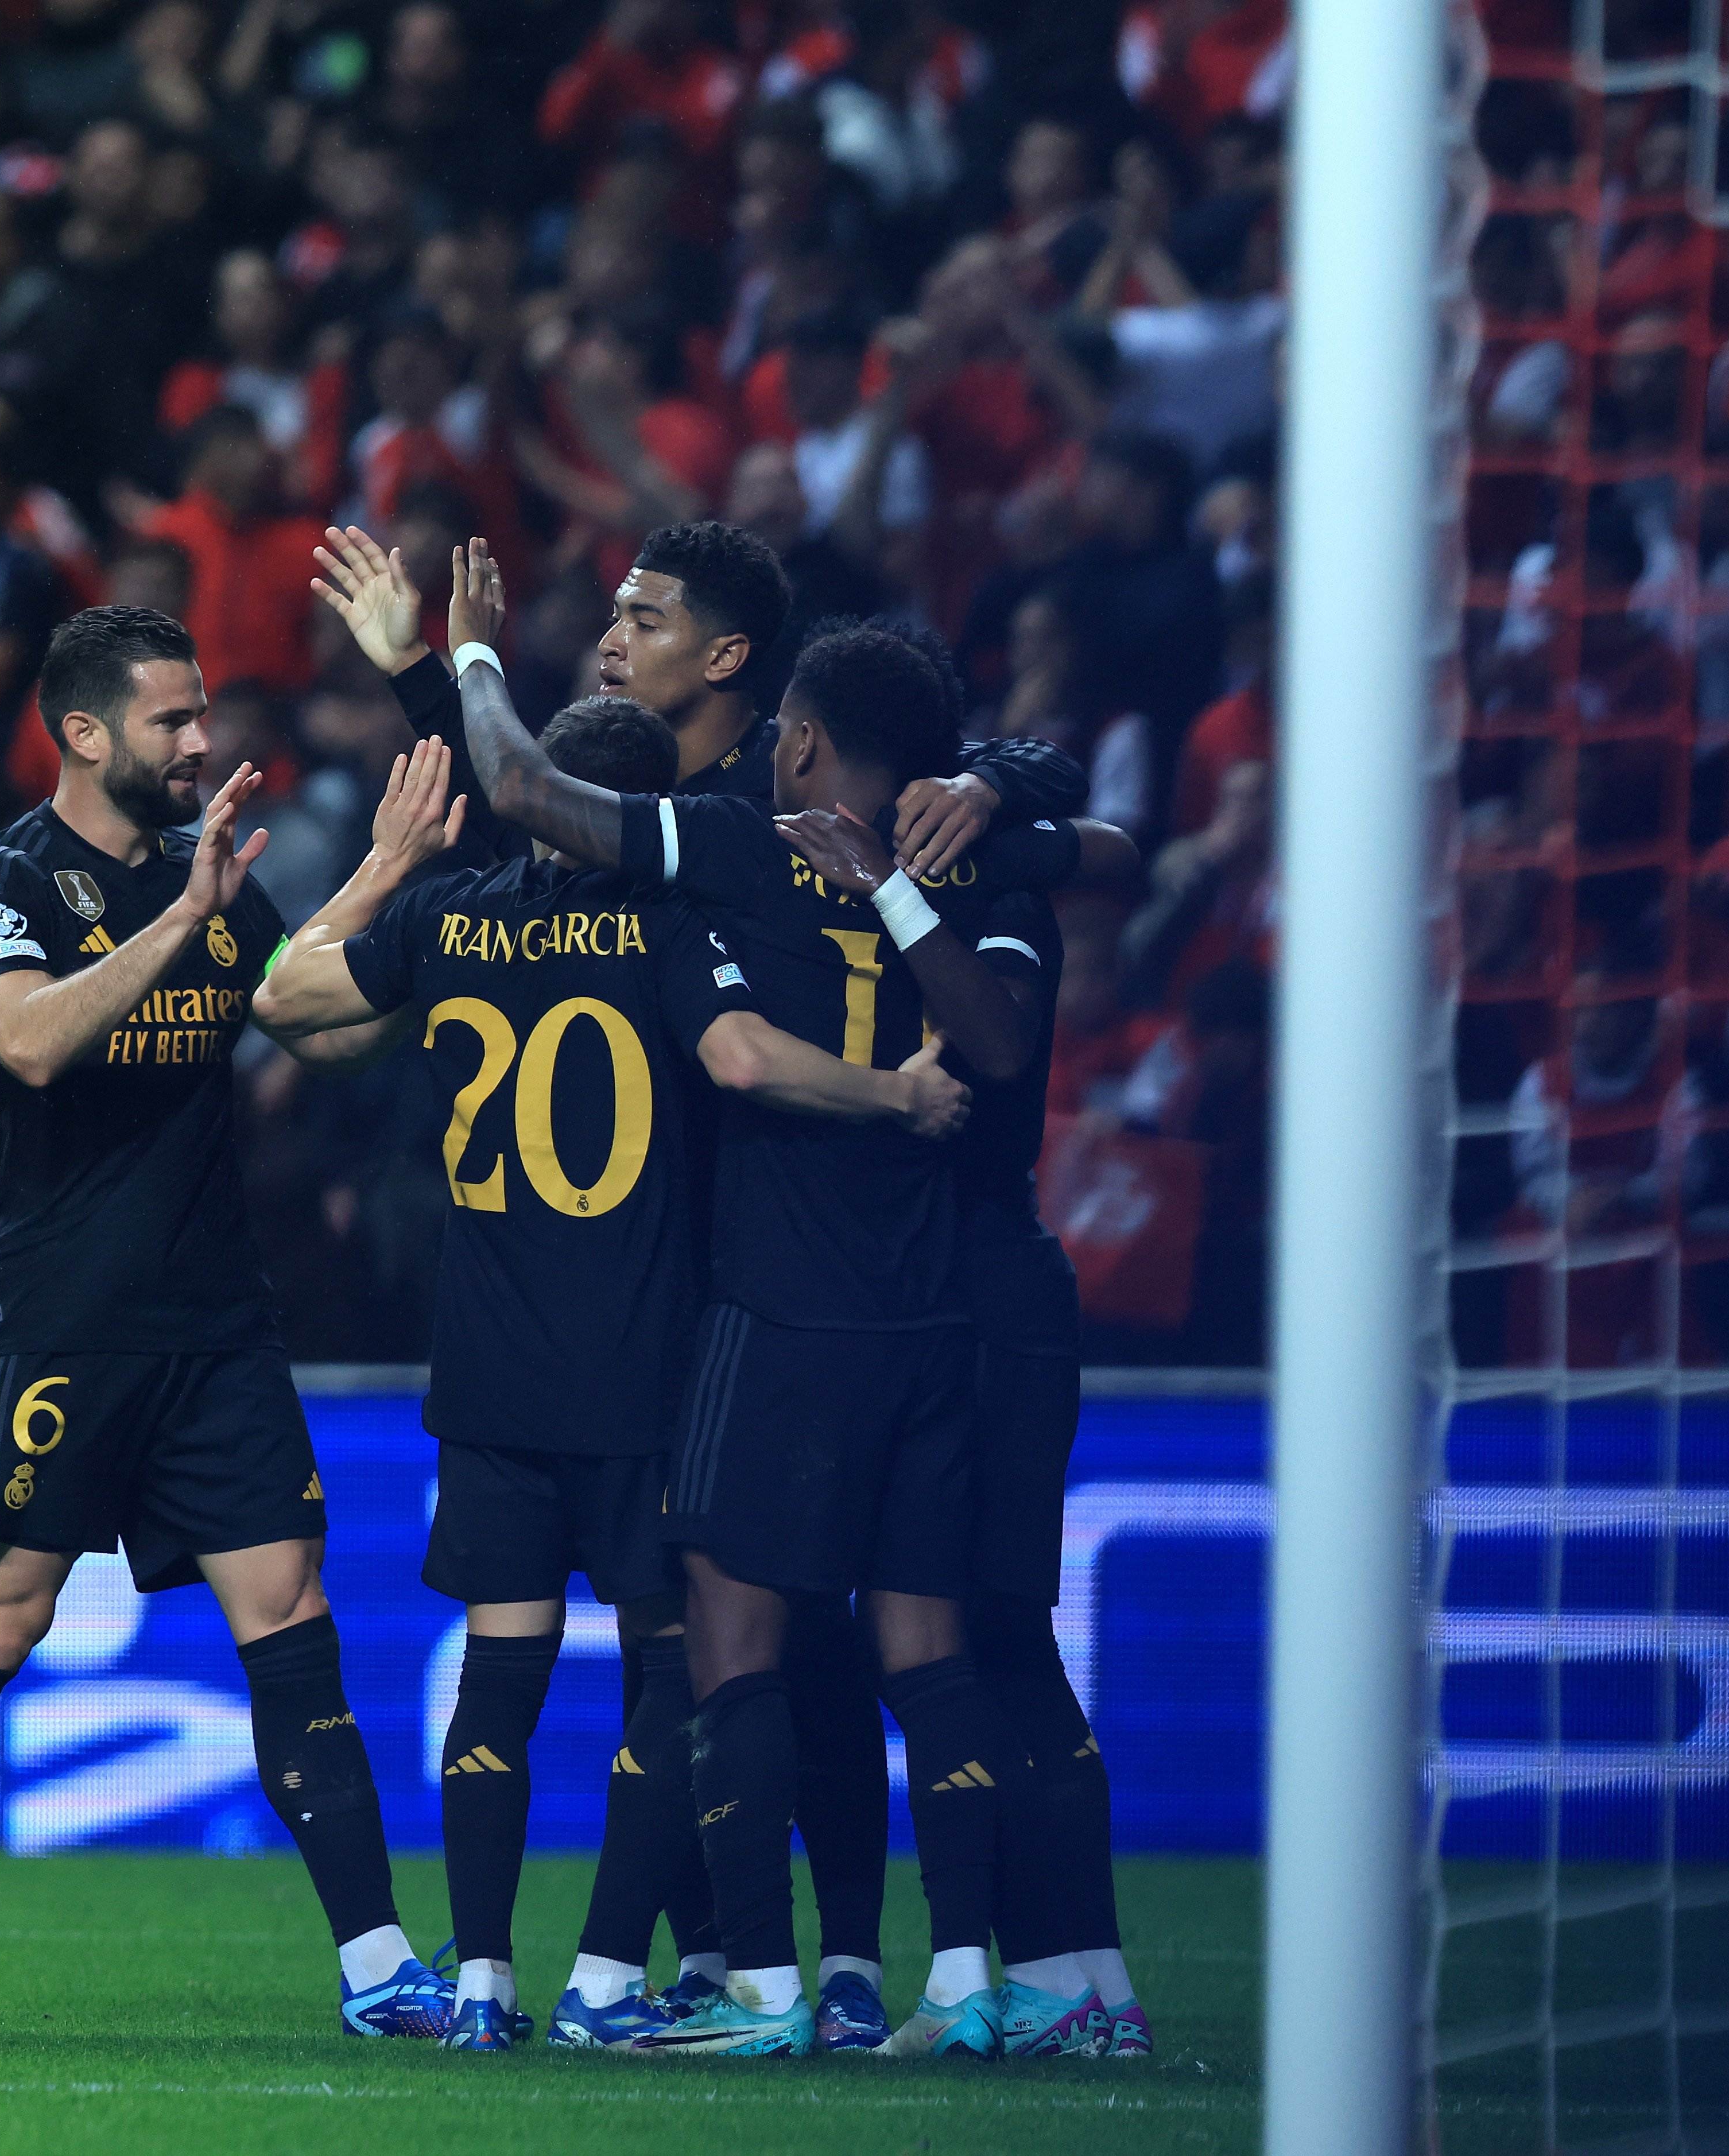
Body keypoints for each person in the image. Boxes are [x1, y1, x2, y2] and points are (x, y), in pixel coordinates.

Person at [312, 517, 1089, 2049]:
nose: (609, 634)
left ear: (747, 678)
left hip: (750, 1316)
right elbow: (544, 820)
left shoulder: (731, 827)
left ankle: (791, 1970)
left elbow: (542, 816)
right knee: (849, 1651)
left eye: (640, 615)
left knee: (772, 1655)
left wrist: (1007, 780)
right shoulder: (767, 826)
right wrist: (427, 680)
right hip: (830, 1303)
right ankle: (882, 1969)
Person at [254, 711, 967, 2052]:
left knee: (498, 1677)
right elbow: (743, 1059)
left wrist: (387, 867)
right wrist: (896, 1098)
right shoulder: (669, 928)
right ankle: (597, 1977)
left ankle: (479, 1986)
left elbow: (284, 1000)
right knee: (674, 1670)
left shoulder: (452, 920)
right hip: (648, 1377)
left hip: (484, 1372)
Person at [0, 604, 456, 2042]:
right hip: (64, 1322)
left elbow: (301, 1013)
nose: (204, 741)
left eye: (203, 710)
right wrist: (185, 915)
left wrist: (395, 882)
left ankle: (377, 1967)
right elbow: (27, 1040)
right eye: (173, 719)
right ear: (84, 733)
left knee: (291, 1614)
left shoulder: (196, 871)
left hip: (215, 1321)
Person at [780, 645, 1150, 2060]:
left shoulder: (983, 879)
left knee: (993, 1639)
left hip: (989, 1290)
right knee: (985, 1642)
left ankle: (1067, 1982)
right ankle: (1083, 1982)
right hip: (933, 1294)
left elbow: (1007, 1026)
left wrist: (988, 803)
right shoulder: (922, 861)